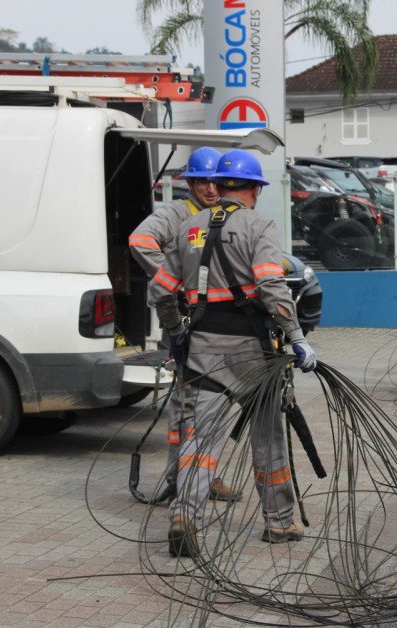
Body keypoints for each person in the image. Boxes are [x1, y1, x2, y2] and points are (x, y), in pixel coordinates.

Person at [150, 149, 318, 557]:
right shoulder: (258, 226)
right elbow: (271, 287)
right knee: (268, 438)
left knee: (200, 440)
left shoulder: (189, 227)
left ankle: (184, 516)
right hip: (251, 356)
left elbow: (161, 290)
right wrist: (296, 336)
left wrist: (175, 332)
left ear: (221, 186)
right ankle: (279, 524)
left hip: (202, 353)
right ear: (253, 190)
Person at [128, 147, 243, 503]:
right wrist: (175, 280)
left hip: (221, 325)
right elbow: (140, 241)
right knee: (186, 404)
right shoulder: (177, 214)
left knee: (214, 402)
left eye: (215, 181)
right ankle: (183, 475)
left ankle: (204, 473)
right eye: (201, 181)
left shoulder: (227, 215)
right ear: (189, 182)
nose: (210, 188)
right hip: (186, 324)